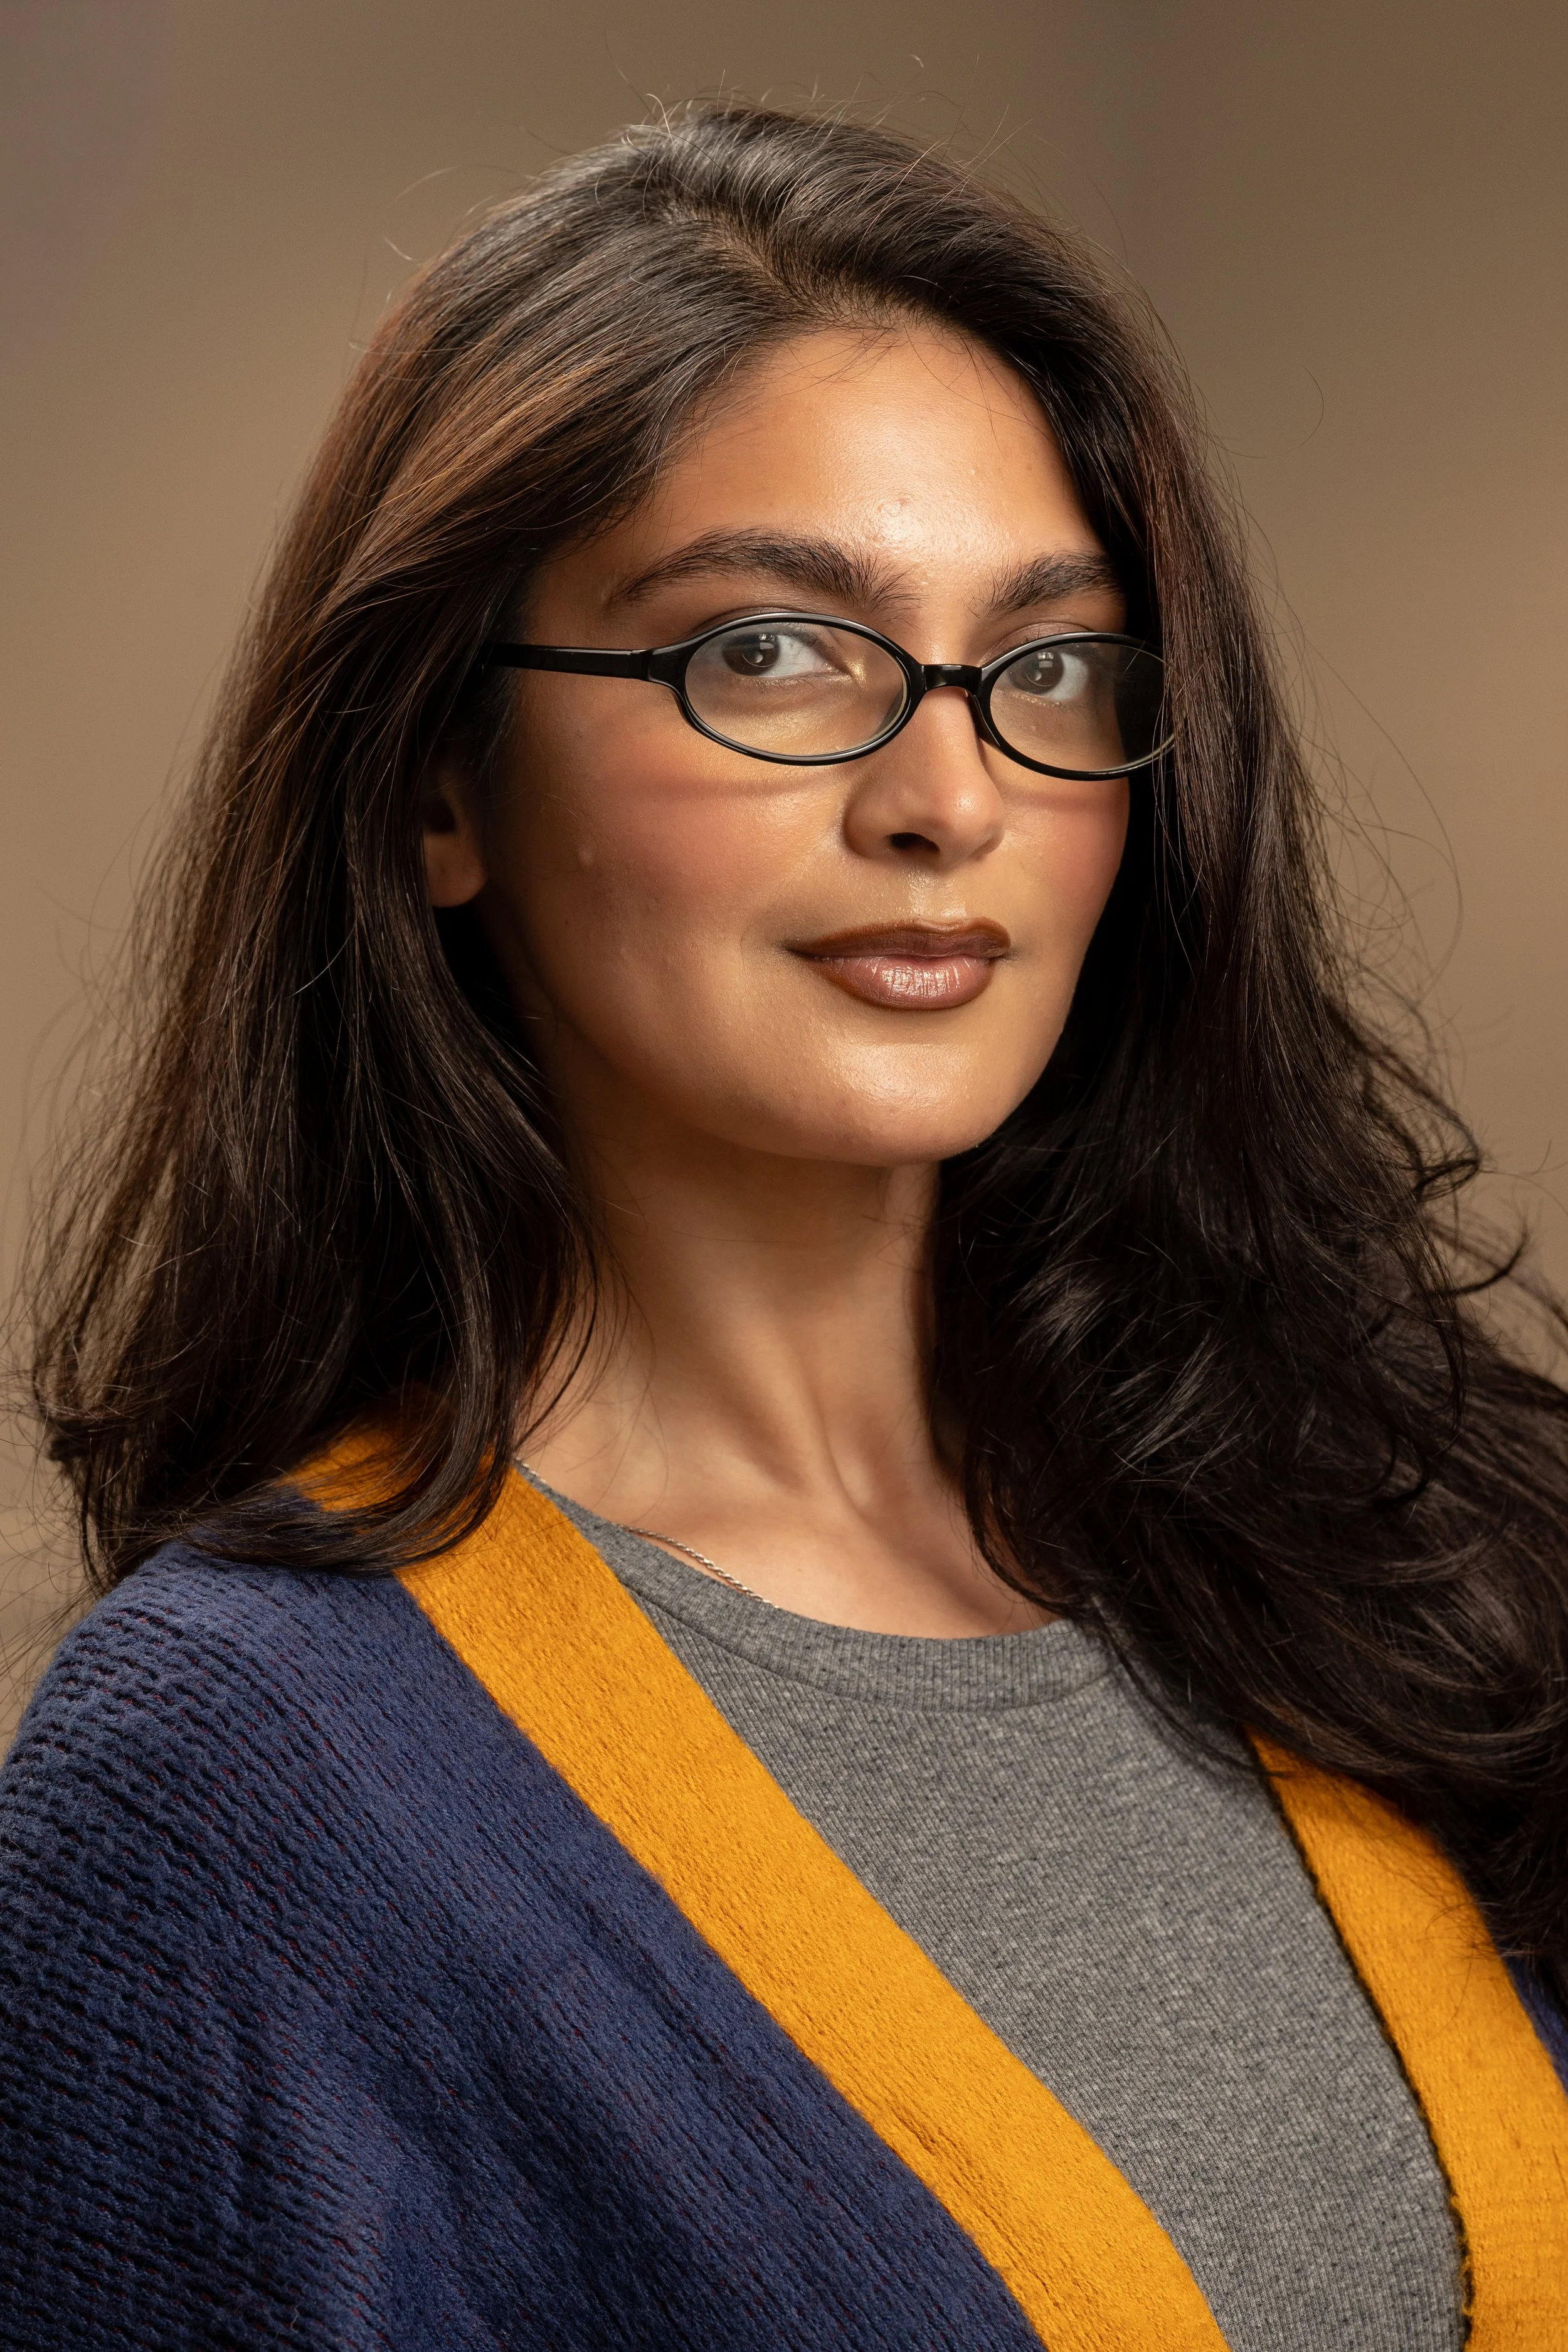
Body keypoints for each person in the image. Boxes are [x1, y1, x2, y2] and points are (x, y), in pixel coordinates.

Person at [1, 97, 1564, 2351]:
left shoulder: (1363, 1559)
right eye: (768, 652)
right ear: (441, 781)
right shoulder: (233, 1787)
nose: (949, 794)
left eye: (1047, 667)